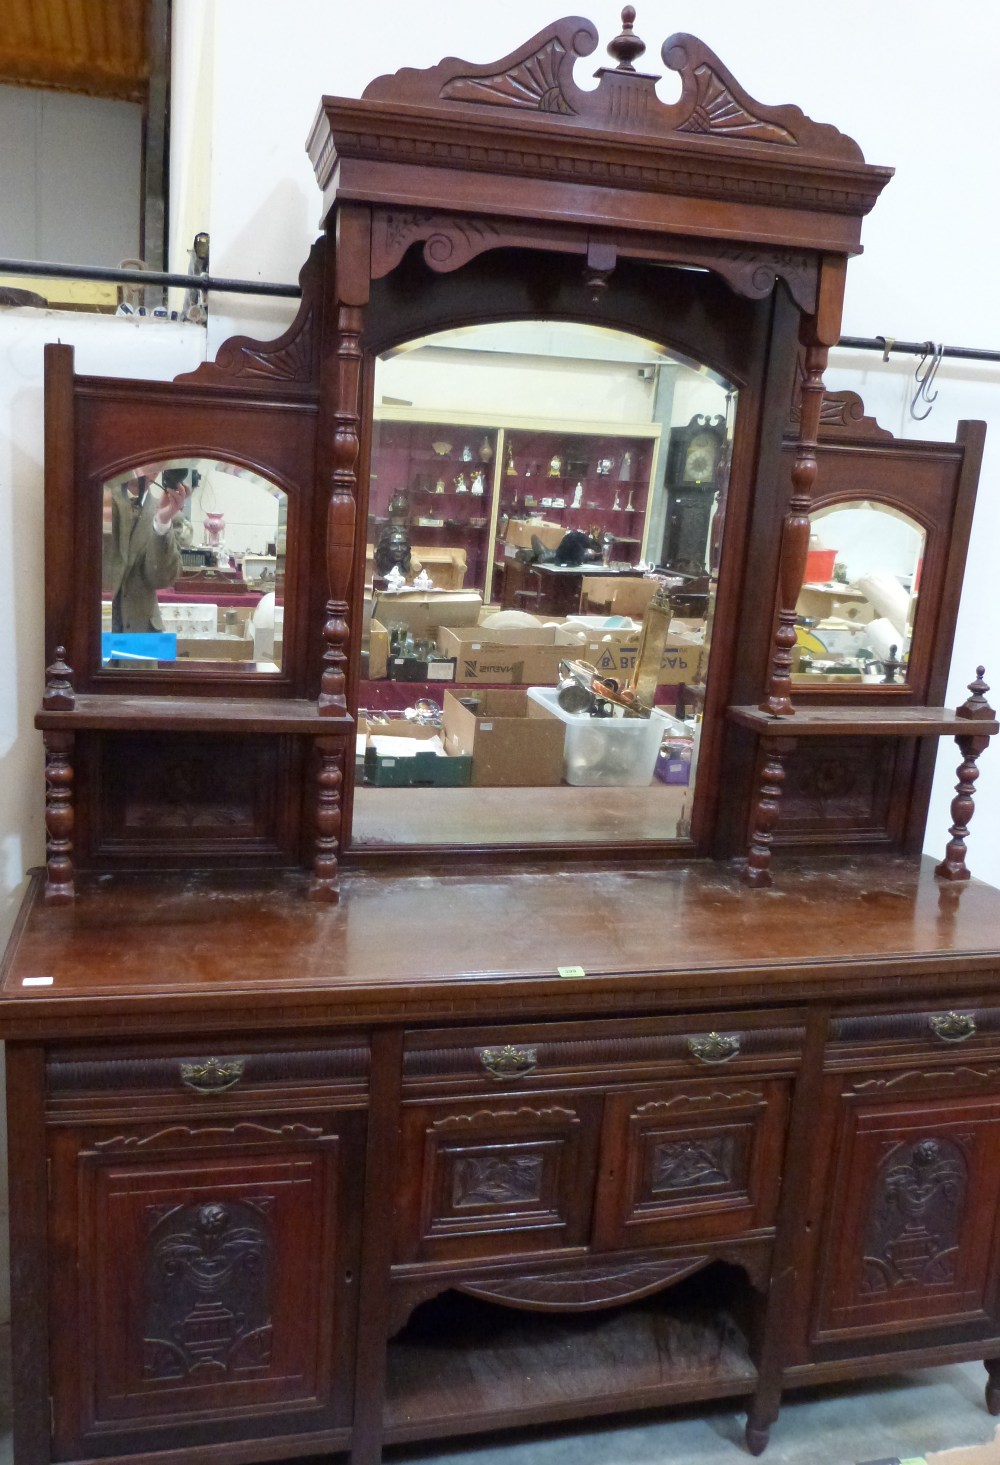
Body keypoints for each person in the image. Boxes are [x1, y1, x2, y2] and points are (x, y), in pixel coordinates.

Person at [105, 464, 187, 633]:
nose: (154, 466)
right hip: (97, 633)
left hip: (141, 639)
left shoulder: (170, 515)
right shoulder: (98, 499)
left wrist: (162, 522)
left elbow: (161, 579)